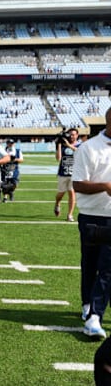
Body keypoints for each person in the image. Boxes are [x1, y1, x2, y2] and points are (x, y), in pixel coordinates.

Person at [72, 108, 111, 340]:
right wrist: (105, 186)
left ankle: (95, 314)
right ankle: (88, 304)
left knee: (108, 266)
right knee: (90, 263)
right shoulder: (89, 148)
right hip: (92, 215)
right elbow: (78, 184)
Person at [55, 127, 81, 222]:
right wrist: (59, 144)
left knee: (72, 192)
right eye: (70, 134)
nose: (72, 136)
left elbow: (79, 152)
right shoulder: (63, 145)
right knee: (60, 194)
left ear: (77, 135)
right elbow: (58, 158)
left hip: (74, 173)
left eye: (74, 134)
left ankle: (69, 215)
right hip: (63, 172)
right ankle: (57, 202)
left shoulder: (80, 145)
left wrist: (69, 145)